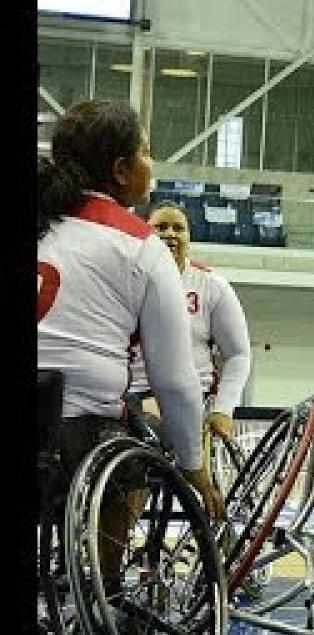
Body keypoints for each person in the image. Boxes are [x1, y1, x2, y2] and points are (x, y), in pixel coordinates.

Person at [36, 100, 226, 592]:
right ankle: (104, 591)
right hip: (76, 432)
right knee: (134, 460)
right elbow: (175, 381)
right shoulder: (138, 244)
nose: (150, 162)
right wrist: (193, 465)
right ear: (122, 171)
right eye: (146, 152)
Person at [126, 203, 253, 450]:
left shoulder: (212, 286)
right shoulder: (127, 279)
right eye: (161, 227)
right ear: (145, 233)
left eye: (178, 228)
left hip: (194, 396)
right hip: (135, 394)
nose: (170, 233)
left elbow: (238, 354)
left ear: (189, 237)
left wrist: (224, 409)